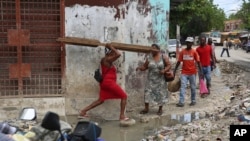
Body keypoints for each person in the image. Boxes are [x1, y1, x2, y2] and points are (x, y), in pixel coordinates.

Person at [79, 44, 129, 121]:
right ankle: (122, 116)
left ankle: (83, 111)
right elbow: (119, 54)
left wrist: (112, 48)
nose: (114, 54)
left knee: (101, 100)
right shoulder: (106, 59)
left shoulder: (106, 60)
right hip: (109, 83)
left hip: (105, 83)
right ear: (108, 53)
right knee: (124, 96)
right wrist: (112, 47)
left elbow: (116, 54)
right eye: (112, 52)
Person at [136, 44, 170, 115]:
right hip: (150, 80)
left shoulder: (163, 56)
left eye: (154, 49)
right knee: (147, 93)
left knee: (161, 93)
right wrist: (139, 68)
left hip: (160, 80)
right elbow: (145, 67)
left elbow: (169, 65)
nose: (152, 50)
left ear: (158, 49)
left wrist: (164, 70)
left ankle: (160, 109)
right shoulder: (149, 58)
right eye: (151, 49)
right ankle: (146, 108)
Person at [173, 37, 202, 107]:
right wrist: (174, 70)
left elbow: (198, 62)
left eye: (190, 42)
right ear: (186, 43)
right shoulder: (182, 52)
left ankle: (193, 100)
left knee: (193, 87)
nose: (188, 44)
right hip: (184, 73)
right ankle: (181, 102)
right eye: (187, 42)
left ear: (192, 43)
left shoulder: (194, 52)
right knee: (183, 87)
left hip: (192, 72)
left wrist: (201, 72)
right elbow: (179, 61)